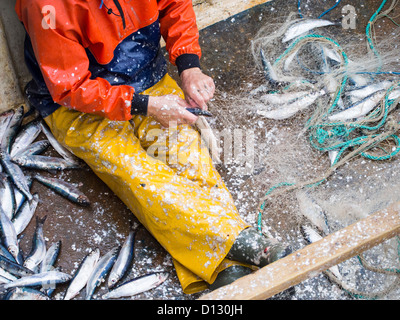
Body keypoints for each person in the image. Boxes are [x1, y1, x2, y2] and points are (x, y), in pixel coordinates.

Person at [15, 0, 292, 294]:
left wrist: (189, 66)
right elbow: (70, 87)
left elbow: (176, 6)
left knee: (191, 160)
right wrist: (147, 106)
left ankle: (225, 269)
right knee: (140, 175)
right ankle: (243, 244)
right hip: (79, 107)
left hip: (147, 76)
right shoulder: (45, 5)